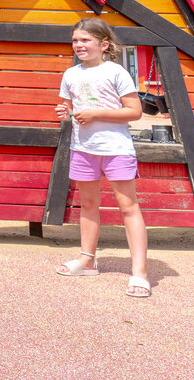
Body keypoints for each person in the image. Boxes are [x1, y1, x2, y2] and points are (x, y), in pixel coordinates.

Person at [54, 18, 151, 298]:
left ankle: (140, 272)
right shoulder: (70, 74)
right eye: (75, 40)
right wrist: (65, 113)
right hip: (83, 148)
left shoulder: (116, 71)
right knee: (88, 204)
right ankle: (87, 261)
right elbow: (69, 109)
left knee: (129, 208)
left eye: (85, 40)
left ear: (103, 44)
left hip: (116, 148)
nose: (79, 45)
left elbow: (134, 111)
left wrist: (96, 114)